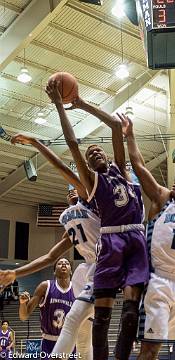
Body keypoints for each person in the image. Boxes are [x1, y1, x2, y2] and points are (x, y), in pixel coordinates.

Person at [45, 81, 149, 360]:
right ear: (88, 167)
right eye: (91, 155)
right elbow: (72, 144)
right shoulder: (92, 182)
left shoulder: (122, 172)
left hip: (136, 237)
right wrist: (59, 105)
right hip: (111, 240)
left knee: (130, 314)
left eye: (97, 150)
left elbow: (116, 127)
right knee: (101, 318)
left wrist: (80, 104)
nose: (95, 152)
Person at [0, 136, 101, 360]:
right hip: (90, 268)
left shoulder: (93, 200)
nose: (72, 191)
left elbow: (62, 167)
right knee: (82, 333)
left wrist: (37, 144)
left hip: (109, 264)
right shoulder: (69, 219)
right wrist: (15, 272)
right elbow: (50, 256)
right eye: (68, 191)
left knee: (78, 323)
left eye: (75, 188)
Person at [119, 114, 175, 360]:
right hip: (159, 282)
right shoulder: (164, 199)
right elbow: (139, 165)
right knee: (150, 347)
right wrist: (130, 135)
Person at [19, 258, 76, 356]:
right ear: (54, 271)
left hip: (69, 342)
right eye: (60, 263)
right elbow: (24, 316)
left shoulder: (77, 289)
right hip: (49, 342)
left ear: (71, 271)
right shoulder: (45, 286)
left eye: (66, 263)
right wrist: (23, 303)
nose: (63, 265)